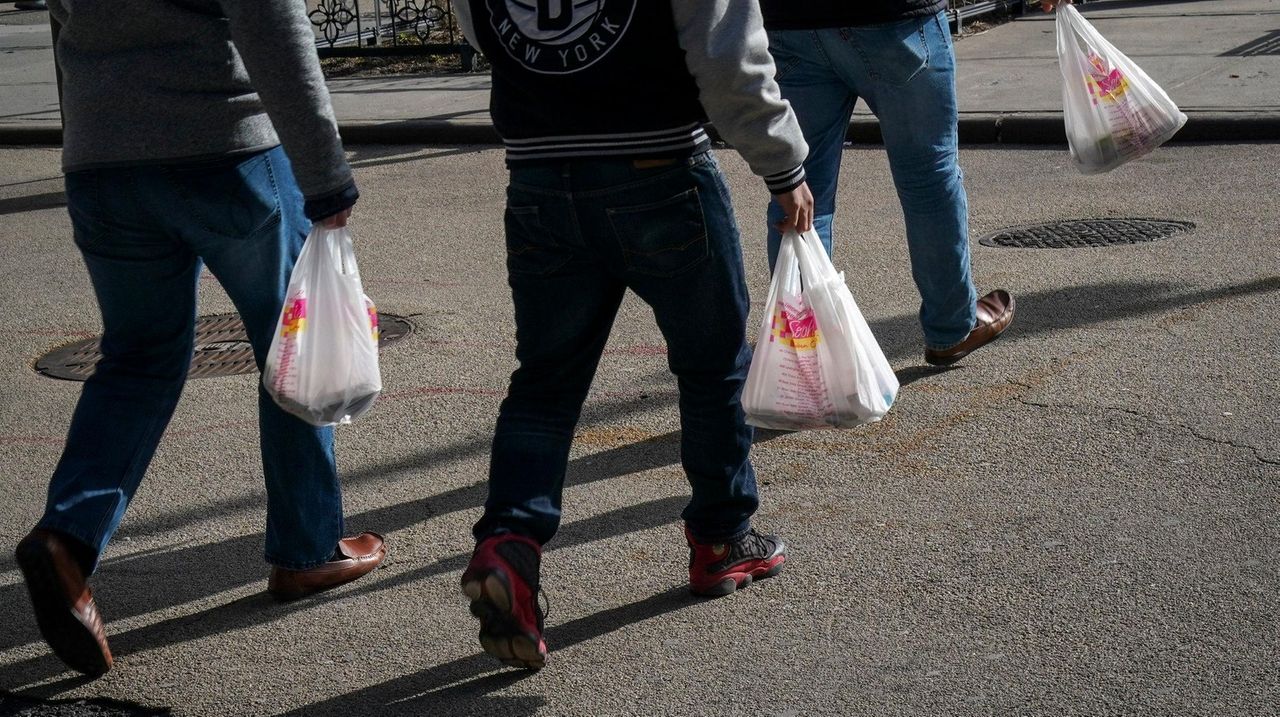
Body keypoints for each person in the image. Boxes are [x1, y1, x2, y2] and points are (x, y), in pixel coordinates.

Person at [14, 0, 386, 678]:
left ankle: (65, 538)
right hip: (224, 148)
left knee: (137, 359)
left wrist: (89, 142)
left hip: (102, 160)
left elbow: (66, 23)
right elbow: (273, 28)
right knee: (290, 343)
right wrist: (327, 172)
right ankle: (308, 550)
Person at [453, 0, 814, 670]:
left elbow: (480, 24)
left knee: (544, 383)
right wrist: (782, 161)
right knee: (711, 365)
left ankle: (509, 539)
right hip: (660, 164)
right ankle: (721, 536)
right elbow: (727, 52)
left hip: (539, 171)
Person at [759, 0, 1016, 366]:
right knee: (928, 180)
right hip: (896, 21)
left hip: (792, 23)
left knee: (800, 189)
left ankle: (804, 358)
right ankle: (950, 329)